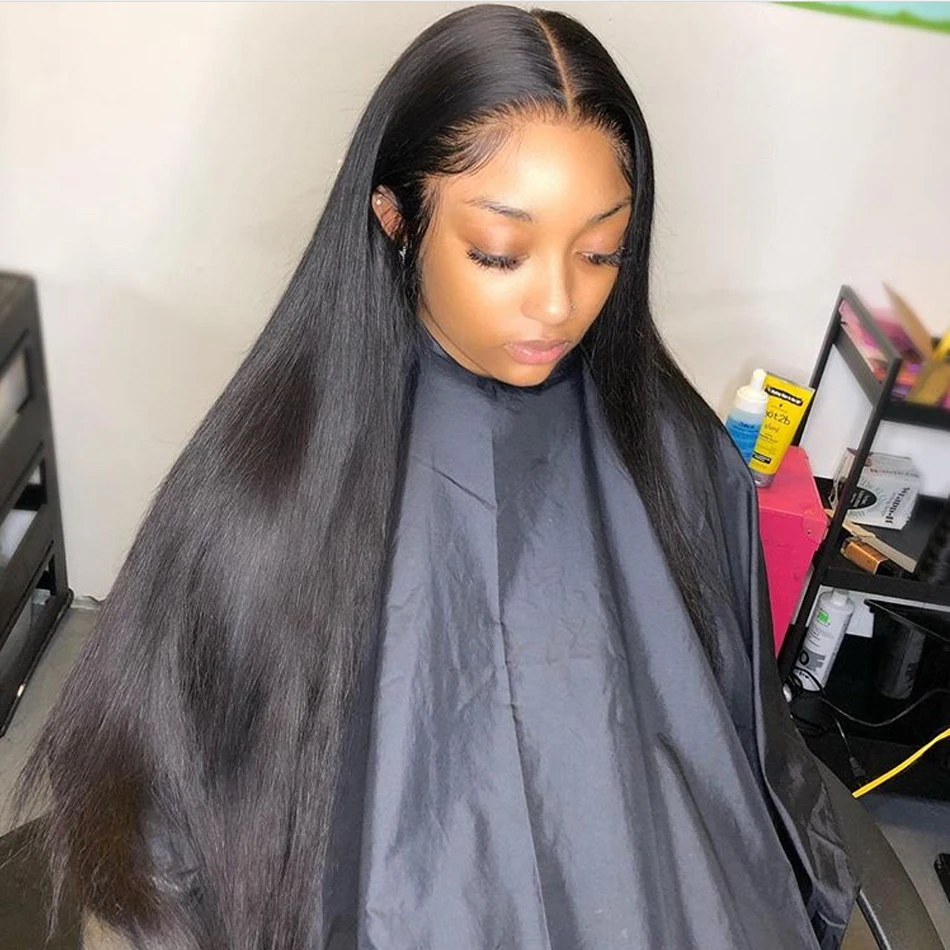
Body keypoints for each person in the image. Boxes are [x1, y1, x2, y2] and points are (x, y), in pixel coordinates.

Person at [16, 4, 857, 949]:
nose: (558, 303)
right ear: (394, 217)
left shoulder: (676, 453)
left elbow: (748, 748)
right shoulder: (271, 479)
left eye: (600, 251)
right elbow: (160, 821)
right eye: (500, 252)